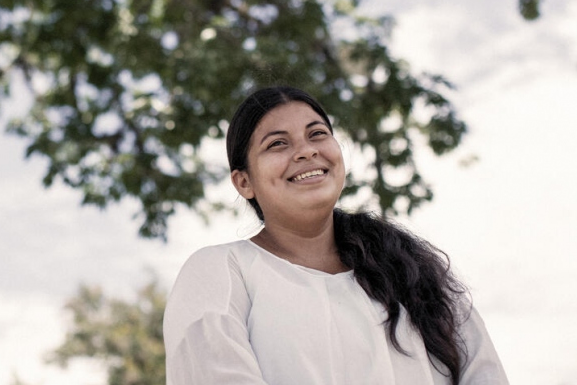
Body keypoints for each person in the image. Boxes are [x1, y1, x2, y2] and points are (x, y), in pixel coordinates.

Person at [163, 86, 508, 385]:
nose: (306, 151)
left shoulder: (416, 272)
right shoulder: (220, 272)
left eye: (317, 134)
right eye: (277, 143)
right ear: (244, 182)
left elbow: (483, 373)